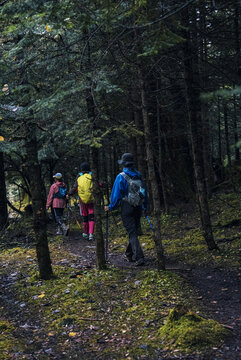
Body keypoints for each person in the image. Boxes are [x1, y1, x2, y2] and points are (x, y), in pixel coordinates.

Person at [104, 153, 148, 266]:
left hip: (126, 206)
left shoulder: (121, 176)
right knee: (133, 231)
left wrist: (111, 206)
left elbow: (116, 193)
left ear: (124, 163)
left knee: (132, 232)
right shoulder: (138, 175)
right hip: (137, 206)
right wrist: (144, 206)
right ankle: (129, 253)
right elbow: (144, 192)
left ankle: (139, 257)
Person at [68, 162, 95, 240]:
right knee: (91, 217)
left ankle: (85, 233)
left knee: (85, 217)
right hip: (91, 199)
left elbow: (75, 187)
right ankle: (91, 234)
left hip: (82, 200)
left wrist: (69, 194)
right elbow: (99, 184)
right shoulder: (92, 175)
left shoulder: (79, 176)